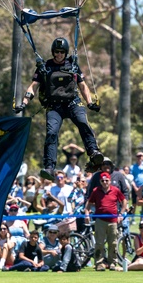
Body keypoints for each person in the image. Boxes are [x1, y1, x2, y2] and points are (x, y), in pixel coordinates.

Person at [16, 37, 103, 180]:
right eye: (56, 52)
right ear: (53, 52)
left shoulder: (73, 66)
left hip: (73, 103)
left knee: (83, 122)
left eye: (62, 52)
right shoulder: (45, 67)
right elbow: (33, 86)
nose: (59, 55)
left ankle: (93, 152)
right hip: (54, 106)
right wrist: (24, 103)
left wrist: (90, 102)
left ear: (66, 52)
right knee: (51, 132)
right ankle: (49, 167)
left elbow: (82, 86)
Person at [86, 170, 125, 271]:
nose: (105, 182)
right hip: (100, 220)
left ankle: (112, 263)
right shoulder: (96, 190)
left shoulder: (115, 190)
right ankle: (99, 263)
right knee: (99, 243)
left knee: (113, 243)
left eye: (106, 180)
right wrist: (87, 213)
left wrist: (121, 213)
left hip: (113, 221)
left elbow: (124, 201)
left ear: (110, 181)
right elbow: (89, 202)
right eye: (103, 181)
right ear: (100, 181)